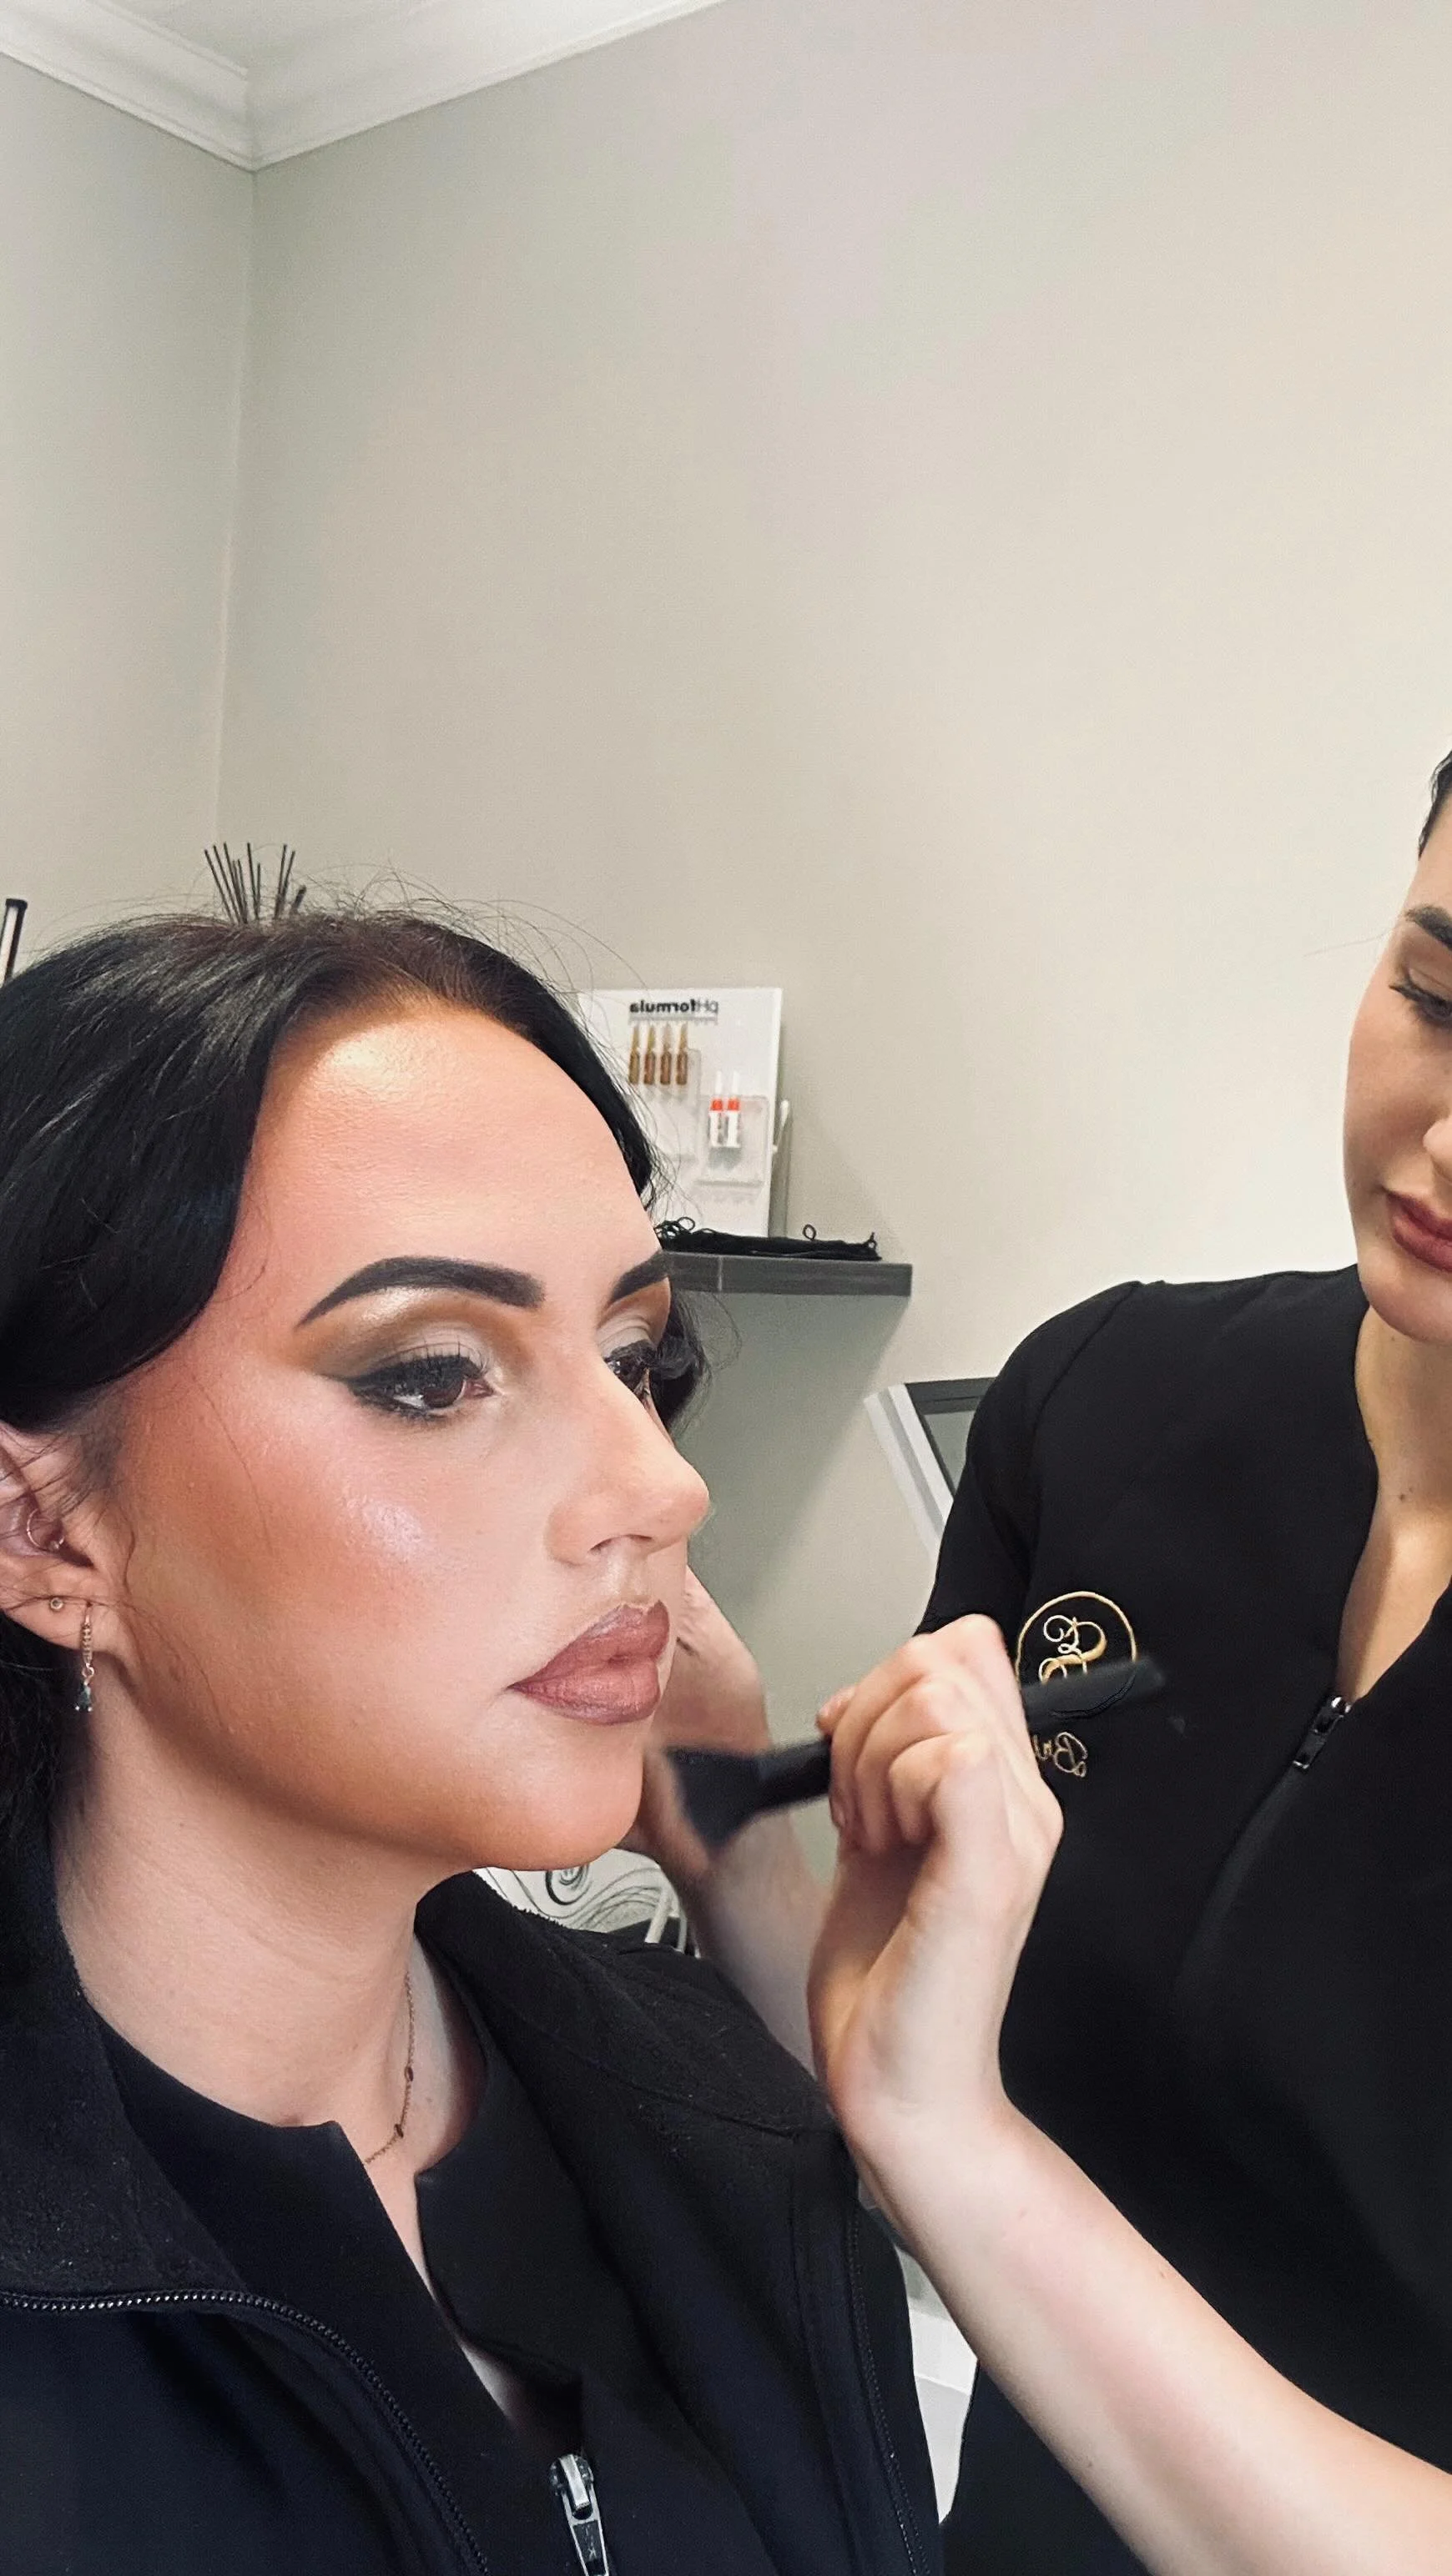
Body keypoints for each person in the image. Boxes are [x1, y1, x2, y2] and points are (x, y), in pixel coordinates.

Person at [0, 905, 938, 2576]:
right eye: (435, 1375)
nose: (665, 1482)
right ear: (46, 1530)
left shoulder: (718, 2122)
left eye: (637, 1356)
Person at [646, 747, 1452, 2572]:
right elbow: (909, 2091)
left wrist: (964, 2148)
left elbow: (963, 2148)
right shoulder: (1107, 1403)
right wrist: (724, 1835)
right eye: (1437, 994)